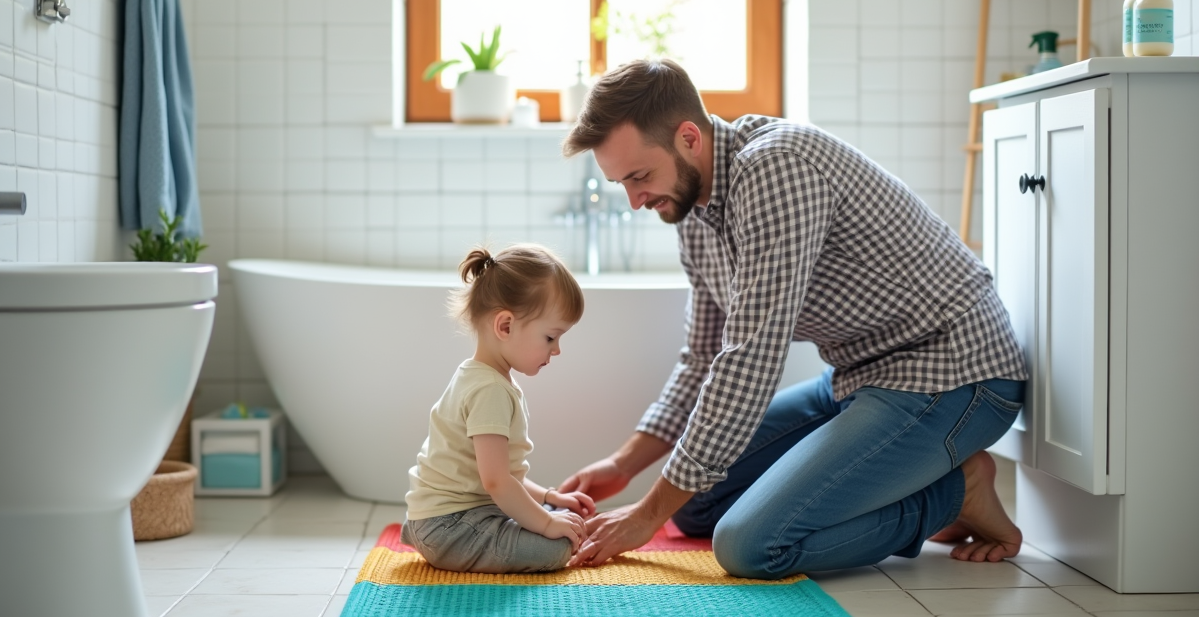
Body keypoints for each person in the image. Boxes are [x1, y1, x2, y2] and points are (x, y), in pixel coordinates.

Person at [558, 59, 1029, 578]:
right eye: (621, 183)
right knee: (694, 502)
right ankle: (924, 477)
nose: (635, 199)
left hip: (951, 374)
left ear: (689, 137)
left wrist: (646, 516)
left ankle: (955, 494)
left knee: (748, 546)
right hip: (860, 376)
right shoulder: (690, 210)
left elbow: (750, 358)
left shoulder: (776, 168)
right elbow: (703, 358)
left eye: (640, 176)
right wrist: (624, 467)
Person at [402, 244, 596, 573]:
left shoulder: (481, 378)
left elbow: (504, 476)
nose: (557, 349)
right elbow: (497, 483)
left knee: (562, 522)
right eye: (551, 337)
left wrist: (550, 498)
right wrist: (548, 524)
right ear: (505, 326)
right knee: (556, 547)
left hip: (452, 518)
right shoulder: (489, 390)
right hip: (451, 527)